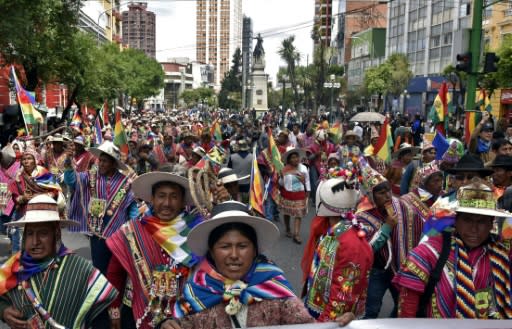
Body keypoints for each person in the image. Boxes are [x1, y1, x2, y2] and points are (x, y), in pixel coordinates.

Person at [158, 201, 355, 328]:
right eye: (225, 246)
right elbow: (180, 322)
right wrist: (166, 325)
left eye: (242, 246)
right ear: (211, 251)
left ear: (255, 249)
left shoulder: (272, 284)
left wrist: (336, 326)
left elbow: (305, 326)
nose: (234, 255)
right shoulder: (197, 289)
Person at [393, 179, 512, 318]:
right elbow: (408, 306)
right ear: (456, 220)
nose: (474, 229)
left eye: (482, 221)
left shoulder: (501, 255)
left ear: (491, 223)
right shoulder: (428, 253)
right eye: (467, 220)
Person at [0, 195, 118, 328]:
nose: (35, 242)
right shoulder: (14, 267)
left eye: (43, 233)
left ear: (56, 234)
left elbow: (101, 315)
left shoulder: (81, 269)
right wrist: (3, 311)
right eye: (30, 233)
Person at [106, 170, 203, 329]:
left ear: (182, 201)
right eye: (161, 196)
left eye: (174, 196)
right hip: (138, 313)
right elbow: (115, 273)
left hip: (184, 315)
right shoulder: (131, 231)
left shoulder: (195, 230)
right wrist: (114, 310)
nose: (166, 203)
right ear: (152, 199)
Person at [303, 172, 373, 321]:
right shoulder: (335, 231)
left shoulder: (350, 243)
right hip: (318, 306)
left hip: (328, 317)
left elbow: (343, 296)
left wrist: (324, 323)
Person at [279, 147, 310, 244]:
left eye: (296, 157)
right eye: (292, 157)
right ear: (289, 159)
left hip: (300, 194)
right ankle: (288, 228)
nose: (295, 159)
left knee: (298, 214)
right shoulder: (284, 169)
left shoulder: (303, 168)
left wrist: (308, 192)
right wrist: (280, 177)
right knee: (287, 213)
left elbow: (307, 181)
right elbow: (281, 184)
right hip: (287, 194)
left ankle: (296, 234)